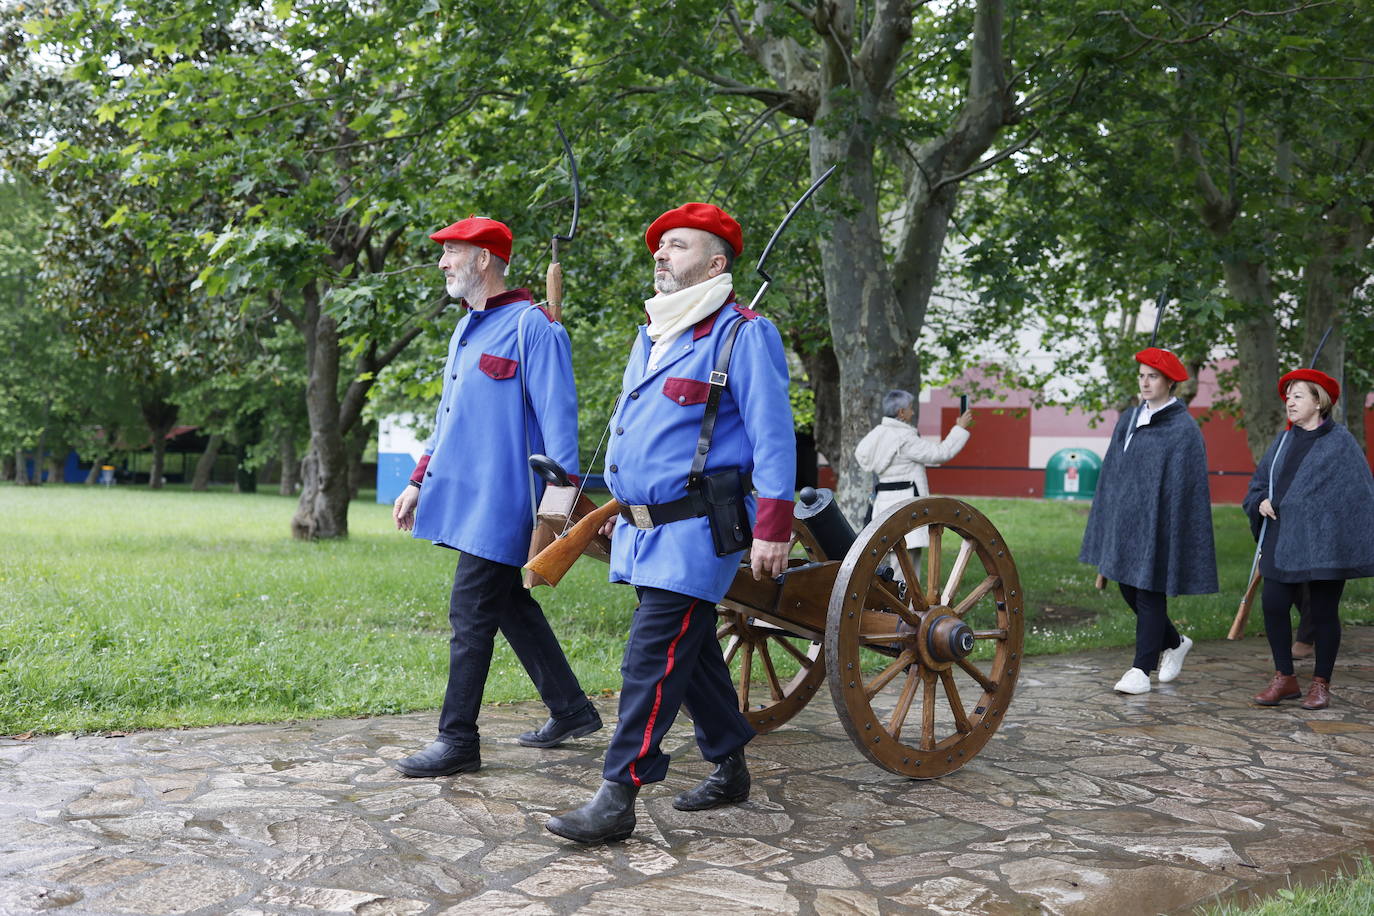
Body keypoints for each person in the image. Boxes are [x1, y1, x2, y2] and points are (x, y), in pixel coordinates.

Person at [546, 202, 795, 845]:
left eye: (678, 246)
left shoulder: (744, 334)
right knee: (697, 652)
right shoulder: (654, 332)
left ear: (716, 263)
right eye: (659, 246)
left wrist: (773, 525)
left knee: (650, 659)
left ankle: (618, 794)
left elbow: (773, 439)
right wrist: (616, 506)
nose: (661, 254)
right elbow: (637, 433)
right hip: (643, 526)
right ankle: (730, 761)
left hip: (697, 530)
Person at [390, 216, 601, 777]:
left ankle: (457, 739)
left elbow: (560, 425)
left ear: (484, 259)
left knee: (471, 612)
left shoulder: (536, 327)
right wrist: (416, 481)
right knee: (507, 603)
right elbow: (446, 420)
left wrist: (557, 510)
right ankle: (571, 709)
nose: (442, 263)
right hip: (464, 500)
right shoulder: (465, 328)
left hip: (508, 504)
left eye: (452, 252)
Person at [1079, 347, 1217, 695]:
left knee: (1149, 592)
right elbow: (1114, 469)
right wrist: (1109, 512)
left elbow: (1186, 485)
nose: (1144, 382)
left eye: (1152, 376)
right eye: (1141, 376)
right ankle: (1174, 641)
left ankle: (1140, 669)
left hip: (1160, 523)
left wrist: (1168, 523)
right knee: (1128, 587)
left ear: (1170, 382)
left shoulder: (1183, 428)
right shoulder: (1129, 418)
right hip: (1126, 520)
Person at [1244, 369, 1374, 710]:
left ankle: (1321, 684)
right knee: (1272, 604)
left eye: (1298, 395)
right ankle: (1284, 678)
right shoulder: (1283, 440)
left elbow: (1358, 495)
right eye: (1288, 395)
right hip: (1282, 539)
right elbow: (1259, 483)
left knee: (1323, 613)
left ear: (1319, 401)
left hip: (1325, 546)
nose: (1289, 401)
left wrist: (1317, 514)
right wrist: (1260, 501)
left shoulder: (1340, 442)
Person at [854, 389, 973, 568]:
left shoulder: (877, 434)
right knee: (906, 567)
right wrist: (960, 428)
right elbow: (940, 454)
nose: (913, 411)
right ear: (901, 412)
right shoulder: (905, 438)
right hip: (906, 506)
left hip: (883, 505)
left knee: (894, 563)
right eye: (910, 408)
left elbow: (861, 454)